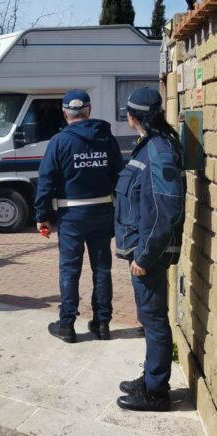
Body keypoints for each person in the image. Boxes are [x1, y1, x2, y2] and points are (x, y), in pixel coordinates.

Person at [114, 87, 185, 412]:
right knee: (150, 317)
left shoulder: (158, 150)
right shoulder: (151, 146)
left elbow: (165, 209)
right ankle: (151, 377)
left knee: (154, 320)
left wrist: (144, 257)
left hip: (148, 254)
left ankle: (156, 392)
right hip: (142, 249)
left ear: (133, 116)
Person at [35, 89, 125, 344]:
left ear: (65, 113)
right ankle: (103, 324)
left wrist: (42, 216)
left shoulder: (59, 142)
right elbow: (120, 175)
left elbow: (45, 181)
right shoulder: (106, 137)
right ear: (89, 110)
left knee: (70, 270)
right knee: (102, 270)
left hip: (71, 215)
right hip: (102, 212)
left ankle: (66, 326)